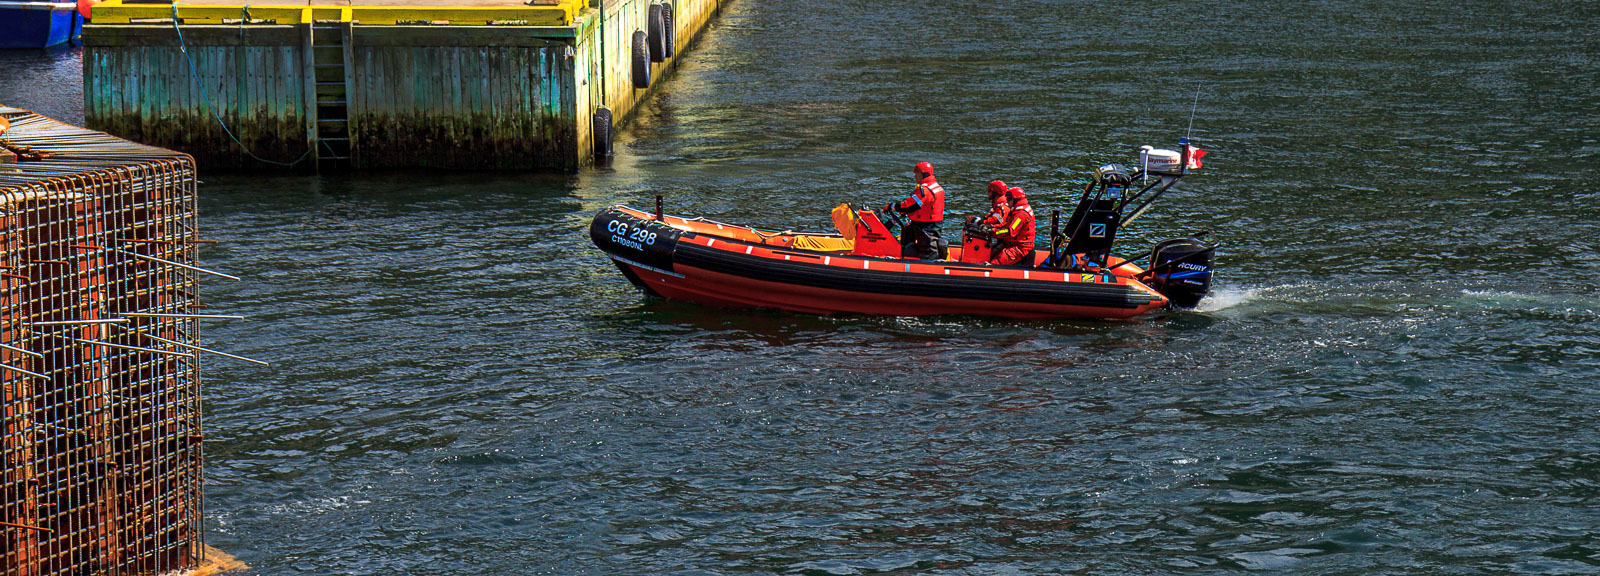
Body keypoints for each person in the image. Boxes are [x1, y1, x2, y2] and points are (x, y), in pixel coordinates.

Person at [884, 161, 945, 259]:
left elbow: (910, 205)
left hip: (925, 225)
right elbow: (924, 206)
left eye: (916, 174)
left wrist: (893, 206)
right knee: (908, 231)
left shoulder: (924, 190)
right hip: (932, 223)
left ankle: (926, 264)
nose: (915, 176)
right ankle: (905, 255)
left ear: (923, 174)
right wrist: (905, 212)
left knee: (927, 251)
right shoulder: (936, 186)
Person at [989, 186, 1036, 266]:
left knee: (995, 264)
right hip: (1012, 244)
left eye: (1009, 200)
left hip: (1020, 248)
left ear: (1016, 200)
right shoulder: (1016, 211)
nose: (1007, 202)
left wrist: (992, 232)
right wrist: (991, 228)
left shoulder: (1020, 215)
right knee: (988, 254)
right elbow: (1006, 226)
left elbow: (1009, 231)